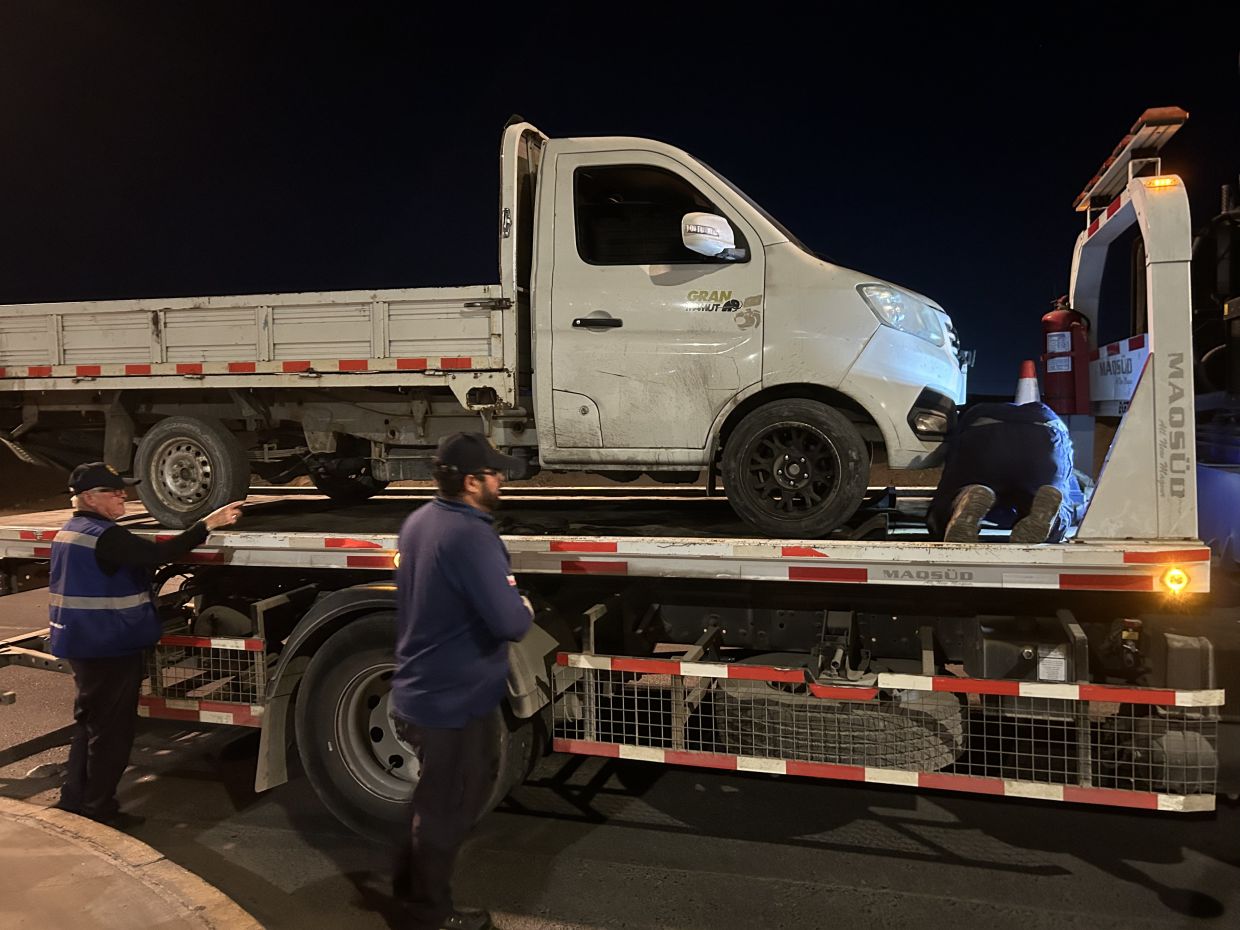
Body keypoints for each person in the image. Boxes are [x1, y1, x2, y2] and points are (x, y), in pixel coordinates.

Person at [50, 462, 244, 828]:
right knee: (111, 734)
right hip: (109, 647)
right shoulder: (105, 536)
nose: (123, 495)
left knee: (89, 725)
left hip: (84, 644)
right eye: (114, 491)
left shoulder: (72, 530)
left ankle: (74, 799)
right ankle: (98, 808)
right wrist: (207, 524)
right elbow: (160, 555)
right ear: (89, 498)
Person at [391, 432, 534, 930]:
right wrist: (523, 605)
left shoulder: (419, 522)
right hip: (450, 701)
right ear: (472, 483)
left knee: (447, 796)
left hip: (426, 689)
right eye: (494, 474)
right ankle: (428, 914)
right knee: (448, 806)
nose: (501, 481)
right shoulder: (472, 536)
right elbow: (511, 622)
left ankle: (413, 888)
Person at [926, 400, 1080, 543]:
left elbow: (951, 456)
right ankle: (1049, 519)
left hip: (983, 431)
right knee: (1051, 501)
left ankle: (964, 499)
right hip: (1044, 432)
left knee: (951, 499)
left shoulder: (974, 412)